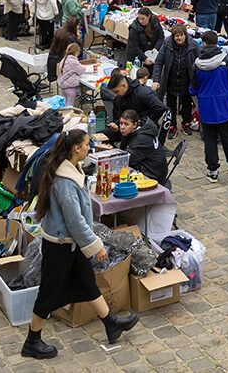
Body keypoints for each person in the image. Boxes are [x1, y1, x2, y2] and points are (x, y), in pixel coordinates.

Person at [21, 130, 139, 359]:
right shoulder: (66, 181)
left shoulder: (71, 168)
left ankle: (111, 323)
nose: (90, 147)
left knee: (87, 281)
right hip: (61, 244)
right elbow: (74, 221)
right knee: (48, 292)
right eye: (87, 144)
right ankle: (32, 341)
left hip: (70, 243)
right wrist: (96, 246)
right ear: (76, 148)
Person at [190, 31, 228, 183]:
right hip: (225, 108)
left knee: (209, 140)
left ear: (203, 43)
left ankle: (212, 171)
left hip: (206, 109)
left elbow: (193, 89)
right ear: (217, 43)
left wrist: (198, 105)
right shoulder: (227, 60)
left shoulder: (196, 64)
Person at [101, 108, 169, 185]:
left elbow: (126, 161)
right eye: (121, 123)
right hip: (149, 168)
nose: (122, 127)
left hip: (152, 174)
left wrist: (112, 150)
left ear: (135, 125)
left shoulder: (141, 139)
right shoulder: (139, 131)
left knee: (112, 173)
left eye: (126, 124)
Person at [152, 23, 197, 133]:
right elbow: (158, 62)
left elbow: (200, 62)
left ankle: (186, 123)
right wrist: (156, 80)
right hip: (170, 80)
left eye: (181, 35)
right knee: (170, 104)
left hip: (187, 80)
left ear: (185, 35)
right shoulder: (167, 45)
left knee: (187, 103)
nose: (179, 38)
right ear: (173, 36)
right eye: (177, 36)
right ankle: (171, 125)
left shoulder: (193, 45)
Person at [57, 43, 87, 108]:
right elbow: (81, 70)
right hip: (70, 87)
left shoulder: (64, 59)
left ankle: (62, 116)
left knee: (64, 105)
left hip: (64, 86)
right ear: (76, 52)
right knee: (69, 106)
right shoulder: (73, 61)